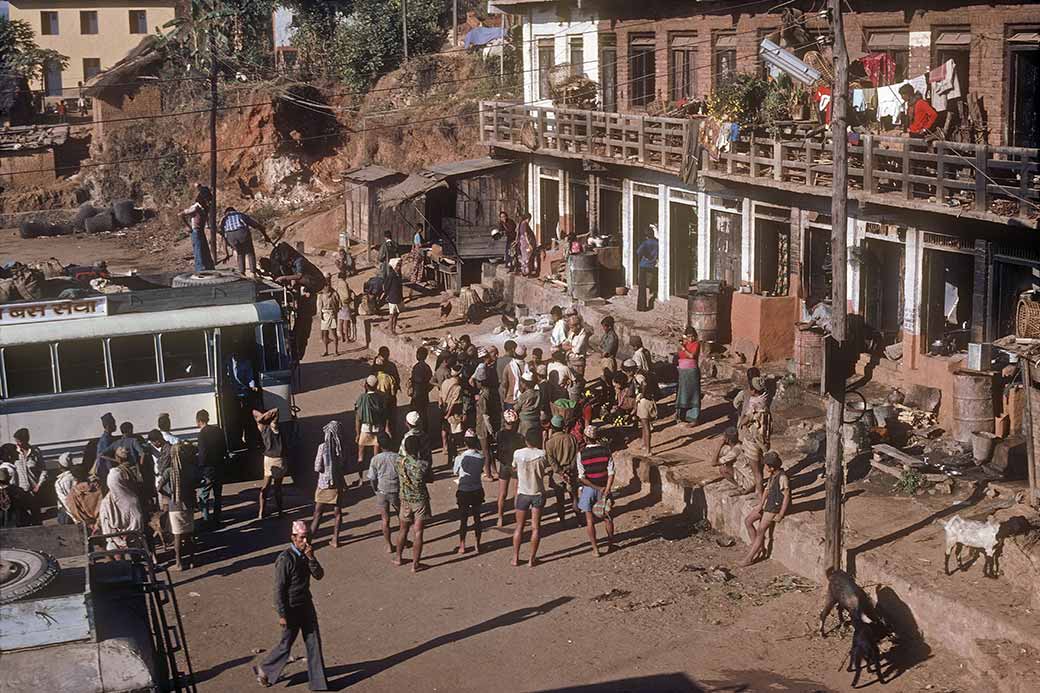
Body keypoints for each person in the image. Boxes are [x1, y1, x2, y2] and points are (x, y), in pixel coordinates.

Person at [254, 521, 328, 691]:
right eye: (302, 538)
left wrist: (311, 558)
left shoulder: (307, 555)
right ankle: (265, 668)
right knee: (286, 643)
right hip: (291, 607)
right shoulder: (285, 559)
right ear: (293, 538)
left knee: (314, 642)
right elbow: (278, 589)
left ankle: (318, 684)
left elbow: (319, 575)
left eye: (307, 538)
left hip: (306, 604)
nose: (306, 542)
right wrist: (282, 613)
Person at [741, 452, 790, 567]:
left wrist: (781, 514)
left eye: (766, 466)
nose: (765, 467)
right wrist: (760, 505)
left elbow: (786, 496)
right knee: (748, 521)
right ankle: (757, 547)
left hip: (774, 507)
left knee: (760, 531)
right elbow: (767, 490)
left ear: (772, 467)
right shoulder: (773, 475)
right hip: (768, 504)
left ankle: (749, 558)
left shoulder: (782, 477)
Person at [394, 435, 433, 572]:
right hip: (420, 500)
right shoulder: (422, 465)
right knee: (418, 533)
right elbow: (430, 478)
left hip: (405, 498)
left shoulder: (399, 461)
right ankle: (415, 564)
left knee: (403, 529)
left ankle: (398, 557)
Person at [577, 425, 615, 557]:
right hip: (604, 487)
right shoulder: (606, 450)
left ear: (585, 438)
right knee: (607, 517)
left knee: (589, 521)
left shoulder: (581, 454)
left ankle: (595, 549)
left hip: (589, 489)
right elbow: (611, 472)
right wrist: (606, 489)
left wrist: (596, 487)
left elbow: (582, 477)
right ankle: (611, 544)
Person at [511, 429, 547, 567]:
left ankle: (515, 557)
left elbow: (514, 468)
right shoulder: (542, 455)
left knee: (519, 527)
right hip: (537, 493)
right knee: (536, 527)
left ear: (526, 440)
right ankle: (532, 559)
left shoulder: (518, 453)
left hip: (523, 493)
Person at [311, 420, 347, 548]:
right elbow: (342, 465)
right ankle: (335, 539)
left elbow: (317, 467)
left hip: (323, 484)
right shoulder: (340, 448)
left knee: (318, 513)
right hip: (337, 484)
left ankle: (308, 540)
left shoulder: (322, 447)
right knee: (337, 513)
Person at [162, 442, 198, 571]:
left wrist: (170, 494)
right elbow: (197, 482)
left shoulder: (169, 471)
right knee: (189, 535)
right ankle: (192, 560)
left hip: (175, 505)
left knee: (177, 536)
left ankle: (179, 563)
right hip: (188, 504)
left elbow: (159, 487)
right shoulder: (189, 469)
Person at [734, 374, 772, 494]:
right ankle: (758, 490)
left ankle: (760, 495)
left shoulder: (756, 404)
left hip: (753, 439)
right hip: (763, 437)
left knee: (757, 472)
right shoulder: (765, 397)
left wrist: (741, 423)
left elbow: (748, 417)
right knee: (759, 465)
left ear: (754, 390)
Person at [453, 430, 485, 554]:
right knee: (477, 518)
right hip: (477, 489)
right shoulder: (481, 456)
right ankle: (477, 544)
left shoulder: (460, 458)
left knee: (463, 519)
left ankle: (462, 545)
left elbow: (455, 472)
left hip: (464, 490)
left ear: (465, 442)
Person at [99, 466, 146, 552]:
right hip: (129, 538)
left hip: (123, 539)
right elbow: (137, 522)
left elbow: (107, 528)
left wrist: (121, 541)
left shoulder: (105, 502)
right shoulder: (132, 498)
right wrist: (123, 541)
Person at [472, 348, 501, 480]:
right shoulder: (488, 392)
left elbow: (485, 415)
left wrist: (490, 430)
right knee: (489, 450)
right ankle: (494, 471)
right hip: (487, 425)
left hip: (483, 426)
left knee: (485, 451)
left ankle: (488, 474)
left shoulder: (483, 396)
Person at [368, 434, 400, 553]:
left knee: (385, 519)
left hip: (382, 491)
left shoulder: (375, 459)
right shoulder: (397, 457)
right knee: (401, 516)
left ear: (380, 446)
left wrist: (375, 490)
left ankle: (389, 545)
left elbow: (372, 478)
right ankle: (402, 539)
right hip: (396, 490)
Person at [544, 415, 579, 524]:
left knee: (560, 499)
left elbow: (551, 461)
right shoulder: (572, 438)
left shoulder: (550, 443)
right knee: (574, 497)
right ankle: (579, 519)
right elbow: (576, 456)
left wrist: (561, 472)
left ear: (553, 427)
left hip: (558, 475)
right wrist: (569, 470)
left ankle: (562, 520)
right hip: (572, 472)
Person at [196, 409, 227, 525]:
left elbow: (203, 454)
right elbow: (224, 448)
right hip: (219, 466)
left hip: (208, 469)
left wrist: (200, 467)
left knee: (204, 495)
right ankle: (217, 518)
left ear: (199, 421)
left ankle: (206, 519)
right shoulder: (218, 430)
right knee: (218, 494)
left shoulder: (202, 434)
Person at [220, 206, 271, 275]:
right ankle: (253, 272)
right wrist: (266, 236)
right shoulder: (240, 214)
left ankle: (242, 272)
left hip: (230, 236)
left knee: (240, 253)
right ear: (234, 210)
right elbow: (257, 225)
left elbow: (223, 237)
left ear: (226, 213)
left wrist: (226, 253)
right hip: (242, 233)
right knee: (250, 252)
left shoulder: (224, 219)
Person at [355, 374, 387, 484]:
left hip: (365, 429)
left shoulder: (362, 398)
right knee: (376, 457)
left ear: (366, 386)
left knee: (361, 457)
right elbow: (384, 415)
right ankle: (375, 477)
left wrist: (358, 434)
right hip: (377, 429)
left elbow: (358, 418)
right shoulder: (381, 397)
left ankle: (360, 479)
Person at [495, 409, 523, 527]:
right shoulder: (519, 437)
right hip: (515, 466)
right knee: (516, 492)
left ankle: (500, 517)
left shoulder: (500, 434)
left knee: (502, 493)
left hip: (504, 465)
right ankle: (518, 517)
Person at [12, 428, 46, 525]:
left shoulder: (35, 452)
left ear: (25, 440)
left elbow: (43, 470)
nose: (17, 443)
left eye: (19, 441)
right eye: (16, 441)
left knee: (37, 518)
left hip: (34, 491)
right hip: (20, 492)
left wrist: (38, 485)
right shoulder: (14, 452)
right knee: (22, 520)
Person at [256, 408, 285, 518]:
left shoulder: (262, 428)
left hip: (267, 458)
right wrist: (269, 415)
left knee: (265, 486)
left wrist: (263, 417)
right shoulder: (274, 428)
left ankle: (261, 511)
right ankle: (280, 511)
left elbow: (255, 412)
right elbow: (277, 410)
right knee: (277, 487)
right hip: (278, 458)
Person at [180, 186, 216, 271]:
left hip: (201, 231)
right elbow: (181, 214)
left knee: (205, 249)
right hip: (195, 231)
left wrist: (207, 225)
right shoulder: (196, 207)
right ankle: (200, 269)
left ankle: (209, 268)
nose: (208, 200)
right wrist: (188, 227)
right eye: (206, 198)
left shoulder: (204, 207)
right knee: (198, 250)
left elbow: (206, 217)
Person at [676, 326, 702, 425]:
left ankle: (694, 418)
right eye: (689, 337)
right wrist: (682, 344)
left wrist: (684, 348)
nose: (691, 339)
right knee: (683, 393)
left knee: (693, 394)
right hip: (682, 372)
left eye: (692, 336)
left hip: (691, 372)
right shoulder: (684, 344)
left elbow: (692, 356)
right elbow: (679, 354)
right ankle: (682, 415)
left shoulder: (696, 344)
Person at [439, 363, 464, 463]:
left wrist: (442, 409)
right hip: (452, 414)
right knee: (454, 436)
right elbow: (454, 404)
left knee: (446, 432)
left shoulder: (445, 382)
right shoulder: (458, 388)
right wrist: (448, 414)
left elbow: (440, 396)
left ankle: (448, 452)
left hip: (443, 410)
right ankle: (453, 457)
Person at [408, 346, 434, 434]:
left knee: (415, 415)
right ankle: (425, 432)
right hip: (424, 394)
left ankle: (416, 432)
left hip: (417, 394)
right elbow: (431, 381)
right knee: (423, 414)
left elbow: (417, 380)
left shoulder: (417, 367)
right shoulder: (427, 367)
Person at [316, 274, 341, 357]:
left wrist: (335, 312)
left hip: (332, 314)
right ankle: (325, 350)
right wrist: (320, 314)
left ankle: (336, 350)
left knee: (334, 333)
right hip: (324, 314)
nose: (327, 287)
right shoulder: (321, 295)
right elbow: (319, 306)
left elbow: (338, 304)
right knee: (324, 334)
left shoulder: (334, 293)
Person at [636, 224, 659, 311]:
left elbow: (638, 252)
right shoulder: (657, 243)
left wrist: (646, 256)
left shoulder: (645, 243)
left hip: (644, 265)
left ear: (646, 235)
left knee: (642, 287)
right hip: (652, 265)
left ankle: (642, 306)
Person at [332, 270, 357, 343]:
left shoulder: (336, 283)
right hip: (344, 304)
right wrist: (349, 298)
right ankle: (347, 338)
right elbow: (346, 295)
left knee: (340, 321)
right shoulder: (344, 283)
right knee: (346, 322)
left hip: (338, 304)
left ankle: (342, 337)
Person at [515, 372, 541, 441]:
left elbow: (516, 408)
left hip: (525, 423)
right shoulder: (538, 393)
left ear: (524, 384)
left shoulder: (523, 396)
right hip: (536, 422)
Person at [634, 374, 657, 453]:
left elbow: (644, 384)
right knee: (644, 425)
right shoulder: (640, 375)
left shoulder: (638, 376)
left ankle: (648, 450)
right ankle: (644, 445)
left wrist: (642, 395)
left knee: (646, 426)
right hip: (644, 402)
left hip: (644, 402)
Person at [54, 453, 78, 525]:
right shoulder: (76, 477)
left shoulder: (59, 482)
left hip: (66, 513)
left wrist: (74, 517)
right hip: (78, 510)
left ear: (60, 466)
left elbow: (64, 501)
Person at [383, 258, 404, 334]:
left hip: (398, 297)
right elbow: (386, 286)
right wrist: (388, 295)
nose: (399, 267)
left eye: (400, 266)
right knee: (392, 315)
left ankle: (393, 328)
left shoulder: (398, 275)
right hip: (393, 297)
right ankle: (390, 329)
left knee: (396, 314)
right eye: (398, 266)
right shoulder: (391, 275)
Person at [599, 316, 620, 383]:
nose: (603, 328)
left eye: (604, 326)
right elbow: (600, 345)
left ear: (609, 327)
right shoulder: (606, 335)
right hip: (605, 360)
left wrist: (601, 349)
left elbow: (606, 352)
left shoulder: (612, 337)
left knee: (608, 382)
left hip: (609, 361)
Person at [516, 212, 536, 276]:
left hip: (523, 242)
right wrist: (529, 243)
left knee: (525, 257)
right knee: (527, 257)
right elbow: (525, 234)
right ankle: (526, 272)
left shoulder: (521, 224)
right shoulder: (524, 224)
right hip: (525, 243)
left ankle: (524, 271)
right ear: (528, 218)